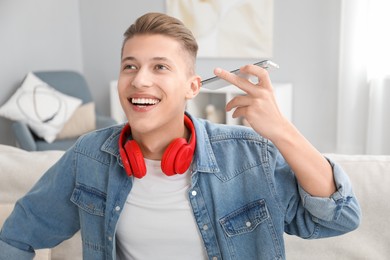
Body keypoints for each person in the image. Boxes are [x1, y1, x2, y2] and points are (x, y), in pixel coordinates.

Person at [0, 12, 360, 260]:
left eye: (160, 66)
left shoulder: (248, 156)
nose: (140, 79)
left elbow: (336, 218)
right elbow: (15, 236)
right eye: (130, 66)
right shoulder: (89, 156)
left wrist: (282, 130)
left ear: (192, 87)